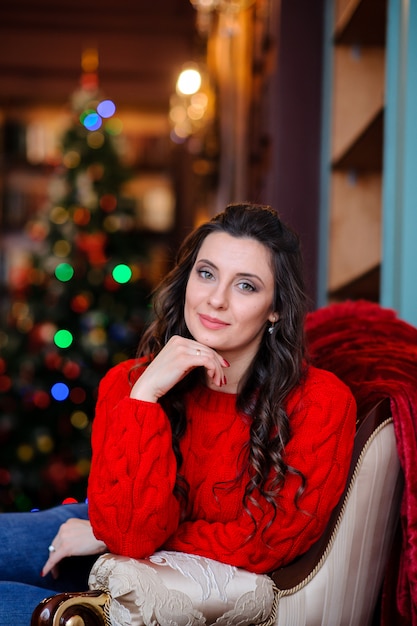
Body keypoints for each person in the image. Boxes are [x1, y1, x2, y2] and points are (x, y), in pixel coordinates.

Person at [0, 203, 356, 625]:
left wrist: (107, 538)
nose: (216, 299)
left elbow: (269, 540)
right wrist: (147, 393)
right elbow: (127, 529)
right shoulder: (128, 383)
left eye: (246, 286)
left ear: (275, 307)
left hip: (137, 555)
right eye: (206, 273)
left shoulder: (318, 400)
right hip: (104, 523)